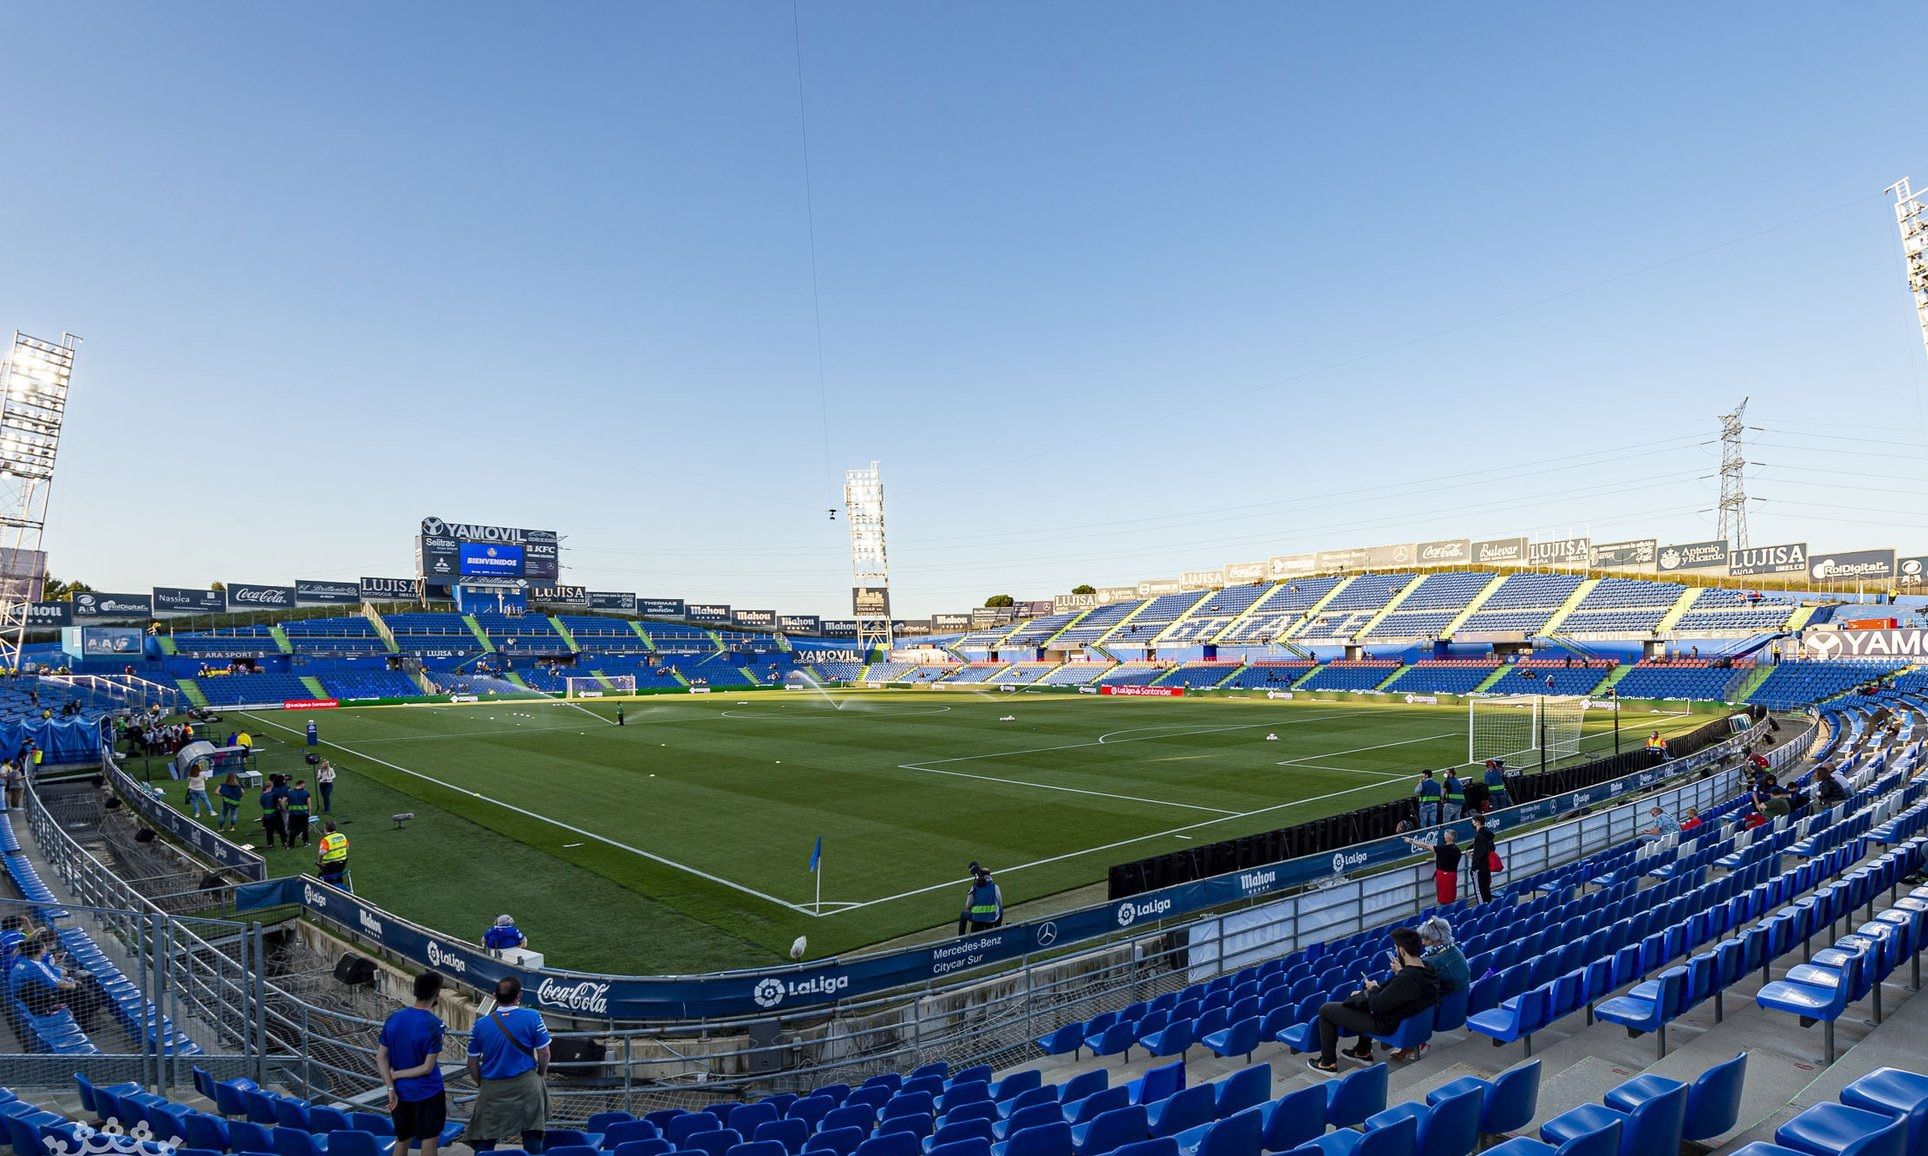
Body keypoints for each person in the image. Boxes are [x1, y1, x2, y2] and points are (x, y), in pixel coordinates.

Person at [1308, 927, 1439, 1073]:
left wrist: (1372, 989)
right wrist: (1371, 991)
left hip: (1386, 1023)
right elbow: (1402, 991)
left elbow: (1376, 1005)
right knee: (1362, 999)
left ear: (1402, 951)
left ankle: (1327, 1063)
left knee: (1326, 1010)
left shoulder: (1407, 979)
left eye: (1396, 949)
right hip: (1405, 1019)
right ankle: (1362, 1051)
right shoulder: (1428, 970)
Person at [466, 977, 550, 1153]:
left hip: (491, 1089)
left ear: (494, 996)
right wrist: (540, 1075)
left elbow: (472, 1062)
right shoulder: (533, 1017)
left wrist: (482, 1083)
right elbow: (544, 1053)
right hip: (526, 1086)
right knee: (532, 1135)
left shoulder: (480, 1025)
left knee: (485, 1137)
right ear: (519, 996)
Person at [379, 972, 449, 1156]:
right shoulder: (435, 1025)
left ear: (414, 991)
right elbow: (427, 1067)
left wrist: (390, 1086)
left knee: (401, 1141)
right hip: (429, 1092)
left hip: (400, 1092)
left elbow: (381, 1056)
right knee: (429, 1144)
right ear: (437, 993)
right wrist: (397, 1075)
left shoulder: (394, 1018)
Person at [9, 930, 76, 1016]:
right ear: (41, 951)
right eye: (44, 947)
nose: (46, 949)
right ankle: (80, 1020)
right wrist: (73, 985)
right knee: (76, 990)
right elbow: (59, 984)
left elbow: (50, 973)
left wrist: (68, 974)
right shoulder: (37, 965)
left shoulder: (24, 960)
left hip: (20, 996)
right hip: (31, 1000)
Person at [1405, 830, 1462, 906]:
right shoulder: (1457, 850)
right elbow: (1449, 859)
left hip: (1444, 876)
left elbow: (1426, 846)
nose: (1444, 837)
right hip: (1452, 875)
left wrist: (1411, 840)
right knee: (1451, 897)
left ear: (1449, 837)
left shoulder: (1443, 848)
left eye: (1445, 835)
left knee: (1443, 899)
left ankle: (1443, 911)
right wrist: (1437, 859)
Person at [957, 862, 1003, 936]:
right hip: (991, 919)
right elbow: (1000, 904)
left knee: (963, 914)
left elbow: (968, 906)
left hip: (977, 919)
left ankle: (960, 937)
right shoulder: (995, 887)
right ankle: (997, 932)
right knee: (1000, 910)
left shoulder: (974, 888)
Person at [1467, 814, 1497, 903]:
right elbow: (1491, 849)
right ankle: (1489, 907)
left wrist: (1474, 867)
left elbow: (1480, 853)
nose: (1472, 823)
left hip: (1479, 868)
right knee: (1486, 889)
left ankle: (1483, 909)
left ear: (1477, 822)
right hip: (1487, 866)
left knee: (1479, 891)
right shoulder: (1488, 834)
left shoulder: (1479, 836)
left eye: (1473, 821)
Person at [317, 821, 351, 889]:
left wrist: (319, 862)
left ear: (326, 829)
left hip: (329, 866)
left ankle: (326, 889)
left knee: (320, 876)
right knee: (338, 875)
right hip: (342, 864)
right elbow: (347, 847)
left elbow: (321, 853)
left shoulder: (325, 840)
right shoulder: (342, 836)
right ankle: (340, 887)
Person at [259, 776, 287, 850]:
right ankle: (284, 842)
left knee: (269, 831)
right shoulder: (274, 794)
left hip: (266, 815)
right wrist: (284, 801)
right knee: (281, 829)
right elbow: (279, 803)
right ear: (271, 786)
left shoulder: (262, 796)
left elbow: (261, 804)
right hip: (275, 814)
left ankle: (270, 844)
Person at [287, 779, 313, 846]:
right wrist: (309, 812)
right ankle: (305, 842)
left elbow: (282, 802)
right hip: (303, 813)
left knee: (293, 829)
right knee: (304, 829)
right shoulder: (306, 793)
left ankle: (291, 844)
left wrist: (285, 809)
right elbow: (309, 804)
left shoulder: (290, 793)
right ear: (301, 784)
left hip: (293, 814)